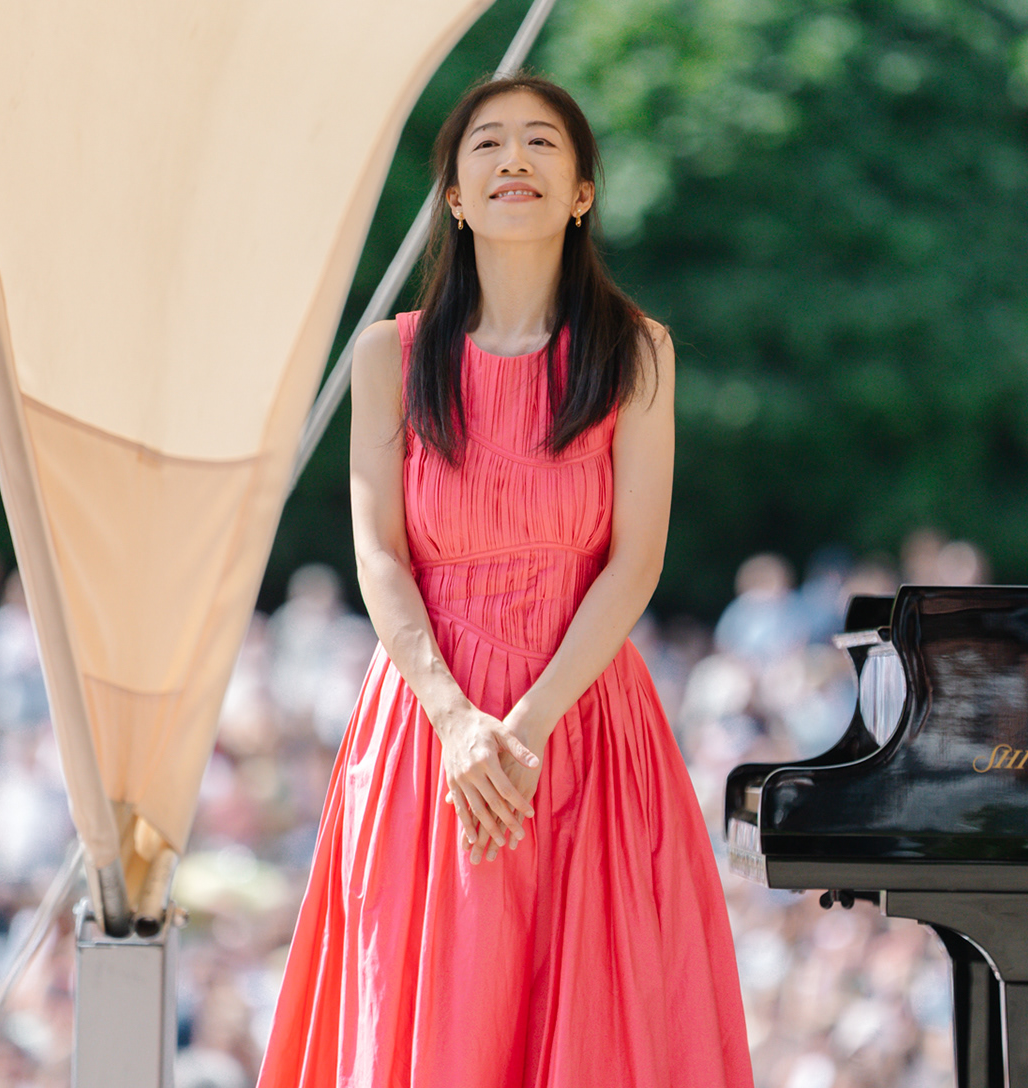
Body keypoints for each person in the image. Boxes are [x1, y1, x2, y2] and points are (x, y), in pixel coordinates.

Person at [259, 74, 751, 1087]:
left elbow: (636, 561)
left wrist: (524, 729)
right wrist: (456, 722)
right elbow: (379, 556)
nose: (513, 159)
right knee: (435, 1015)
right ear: (453, 194)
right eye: (486, 144)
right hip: (428, 730)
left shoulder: (637, 352)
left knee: (597, 1025)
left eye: (540, 142)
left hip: (583, 721)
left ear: (582, 192)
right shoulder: (388, 357)